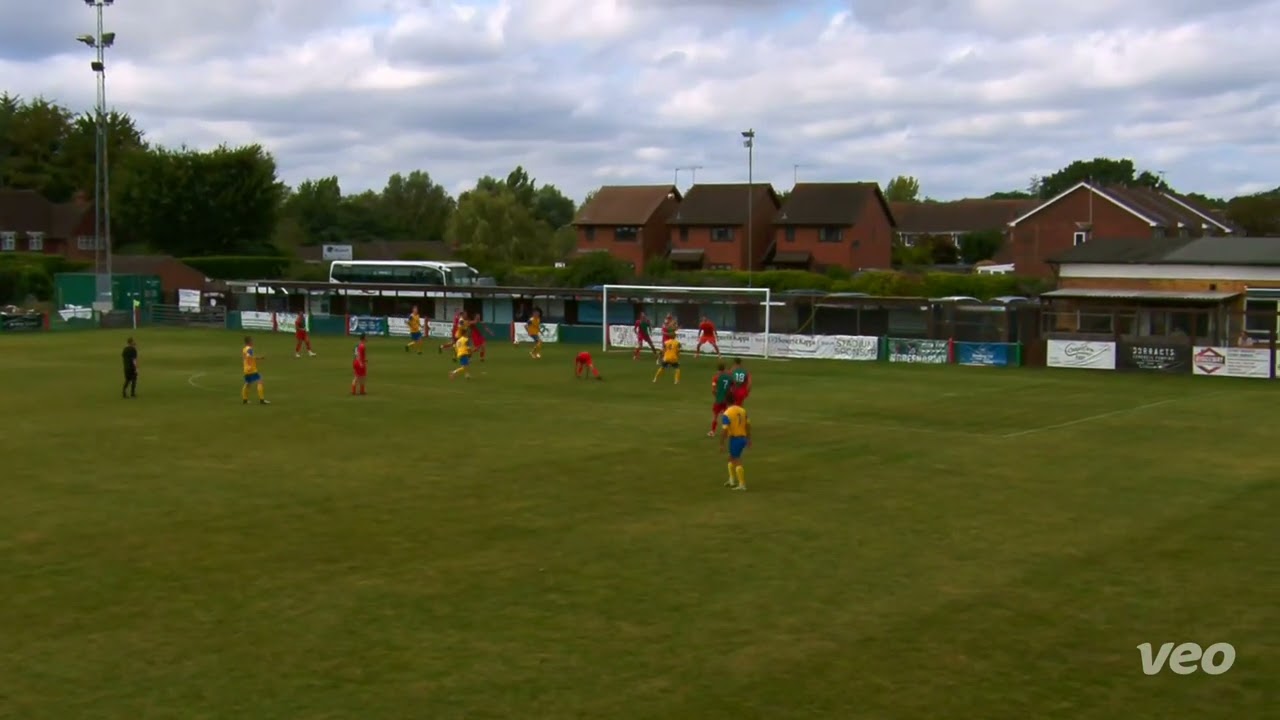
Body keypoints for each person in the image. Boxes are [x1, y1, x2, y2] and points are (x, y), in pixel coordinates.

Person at [719, 403, 751, 491]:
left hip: (735, 439)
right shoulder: (742, 410)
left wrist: (721, 443)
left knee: (736, 460)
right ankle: (732, 480)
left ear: (726, 402)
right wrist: (749, 438)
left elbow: (724, 430)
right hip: (743, 438)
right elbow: (748, 425)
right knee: (731, 458)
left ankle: (742, 484)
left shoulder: (727, 413)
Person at [708, 361, 733, 436]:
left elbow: (713, 390)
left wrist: (717, 396)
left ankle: (712, 431)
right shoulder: (729, 377)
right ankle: (729, 431)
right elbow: (732, 388)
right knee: (727, 415)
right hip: (726, 400)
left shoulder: (716, 377)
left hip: (718, 400)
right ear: (724, 369)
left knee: (715, 416)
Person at [241, 336, 269, 404]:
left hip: (246, 369)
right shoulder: (250, 349)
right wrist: (259, 358)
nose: (253, 342)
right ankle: (262, 400)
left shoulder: (244, 349)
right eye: (252, 341)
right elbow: (249, 356)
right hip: (251, 369)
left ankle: (245, 400)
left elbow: (246, 358)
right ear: (249, 342)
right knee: (260, 381)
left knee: (248, 383)